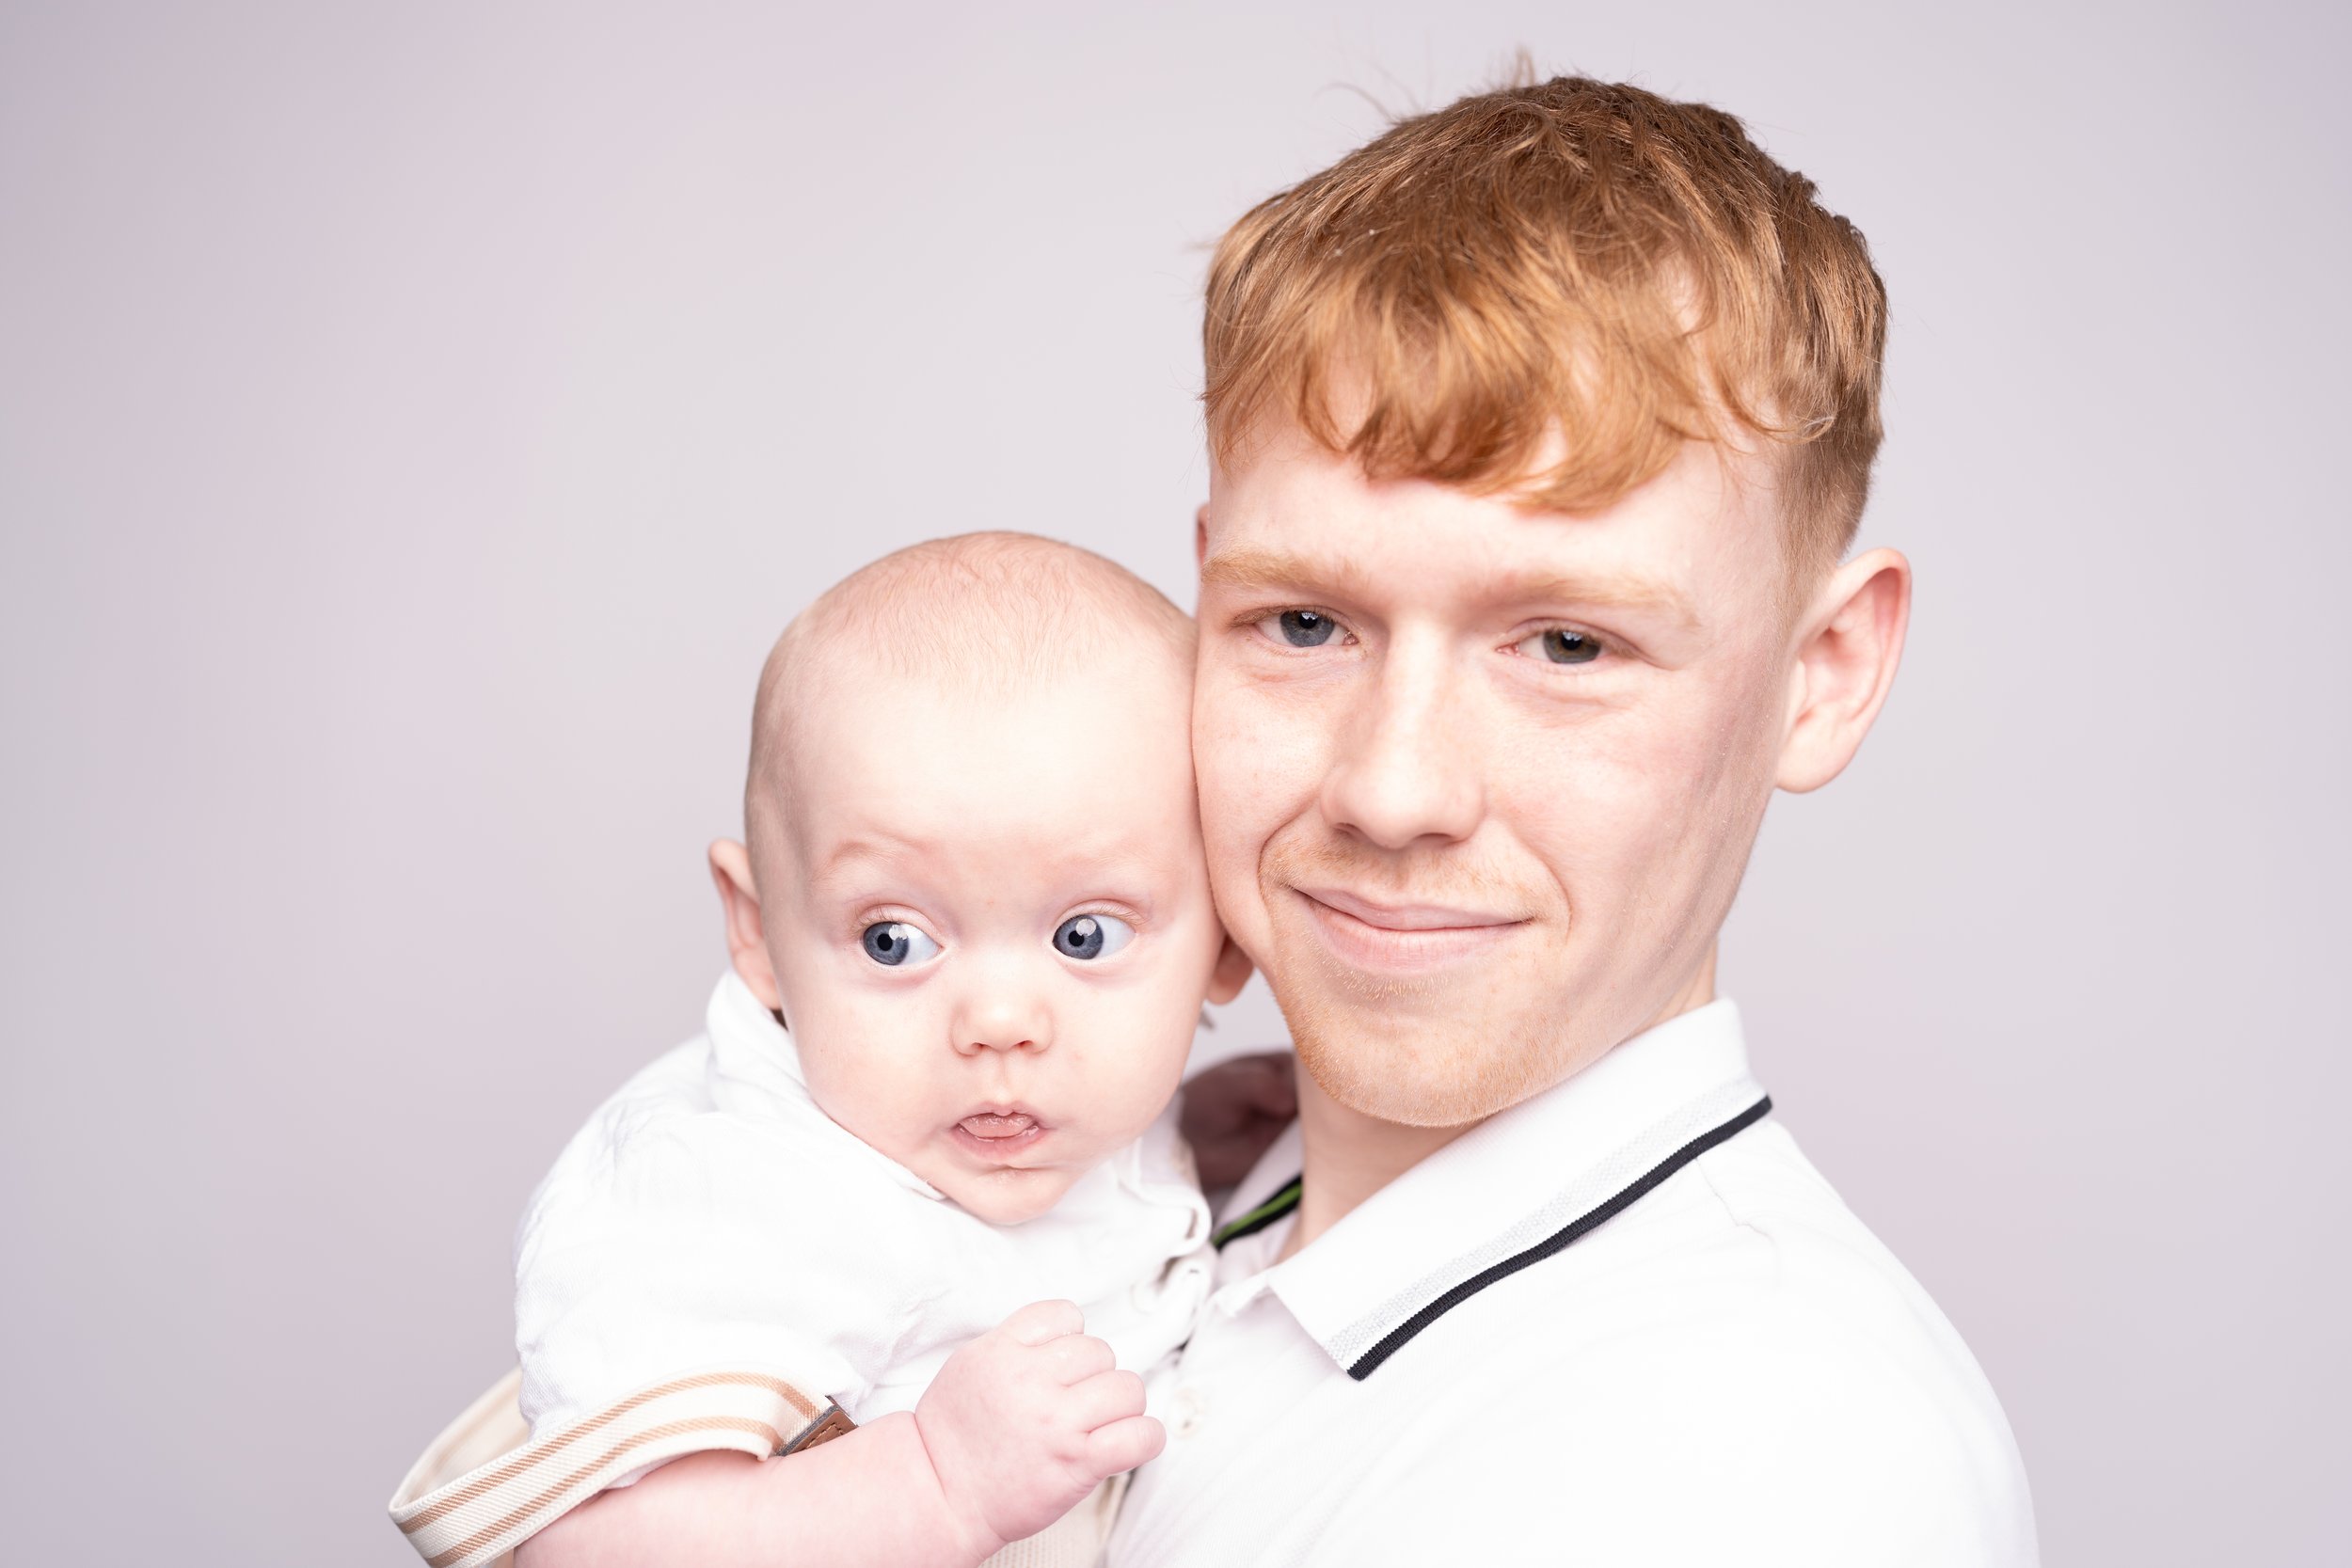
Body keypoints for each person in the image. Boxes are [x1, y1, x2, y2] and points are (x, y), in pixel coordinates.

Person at [1103, 75, 2039, 1564]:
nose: (1392, 787)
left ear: (1823, 674)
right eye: (1301, 621)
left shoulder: (1767, 1459)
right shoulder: (1139, 1202)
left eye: (1568, 646)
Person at [395, 534, 1254, 1568]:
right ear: (758, 930)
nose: (997, 1021)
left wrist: (1177, 1142)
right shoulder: (723, 1194)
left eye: (1085, 935)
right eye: (894, 939)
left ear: (1225, 937)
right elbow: (584, 1553)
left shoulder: (1032, 1123)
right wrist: (935, 1481)